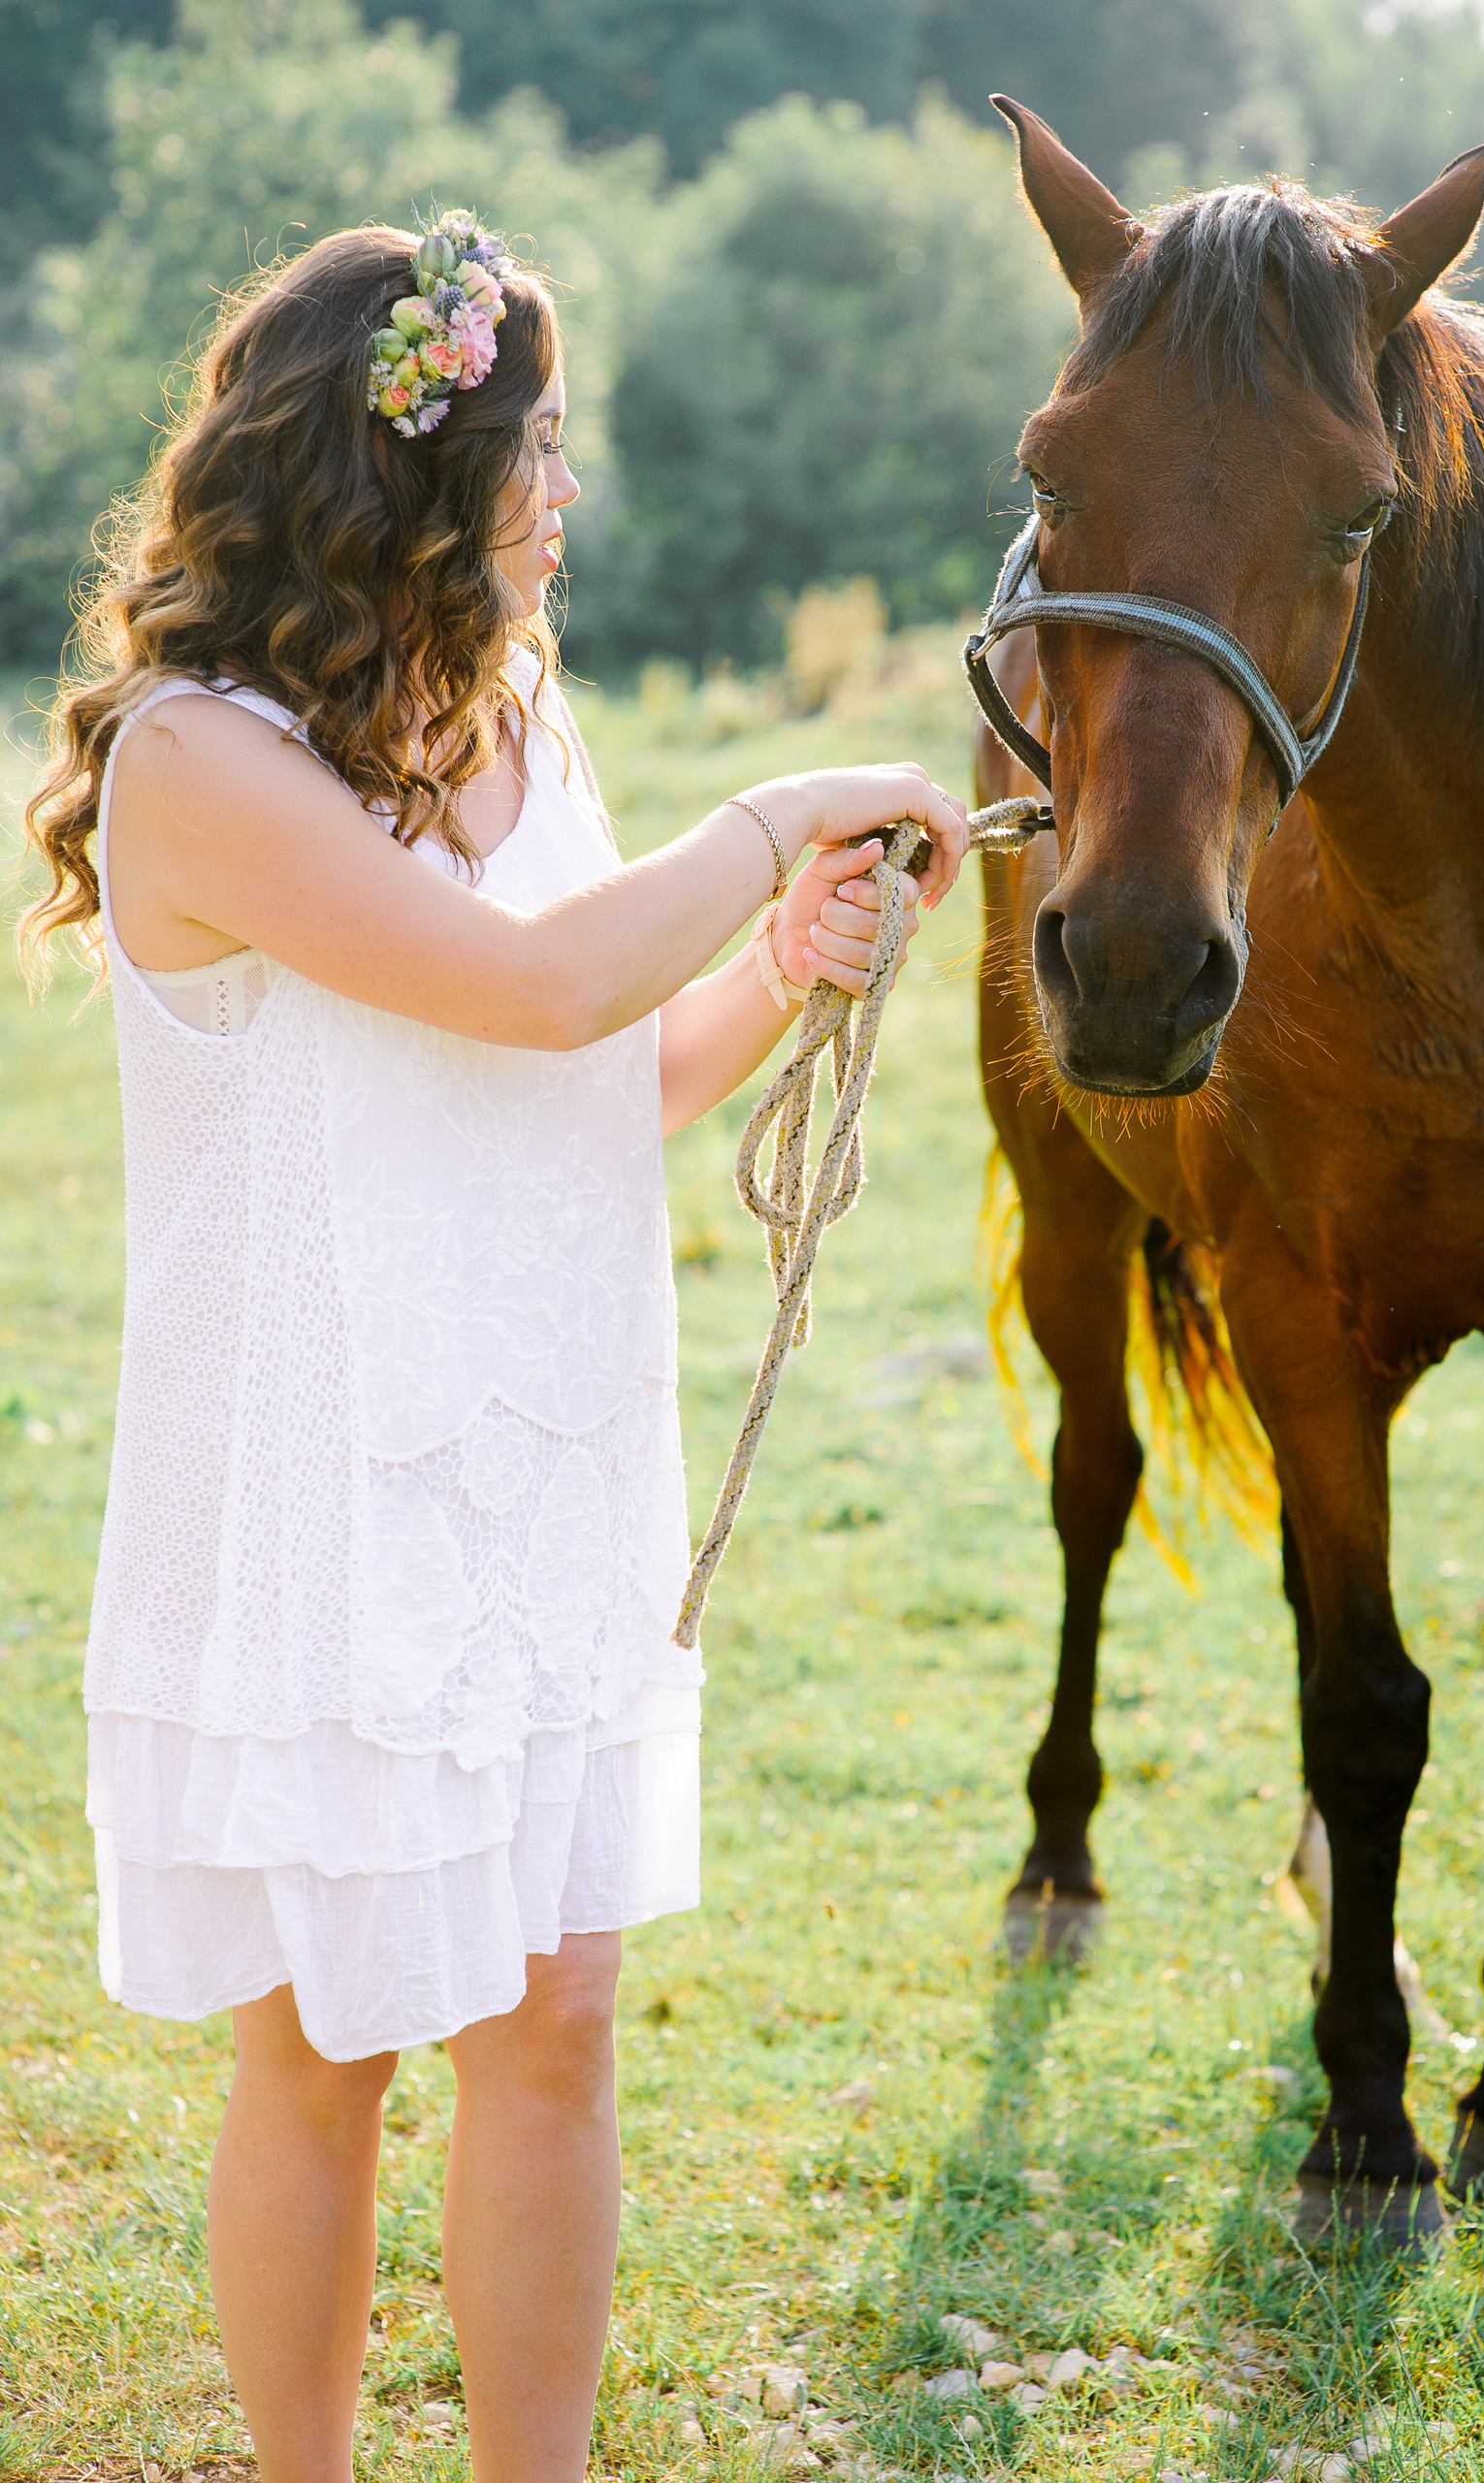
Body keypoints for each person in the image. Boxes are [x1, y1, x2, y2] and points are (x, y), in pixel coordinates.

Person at [20, 211, 967, 2483]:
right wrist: (770, 818)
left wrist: (786, 963)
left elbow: (606, 1076)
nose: (566, 489)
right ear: (403, 472)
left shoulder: (520, 716)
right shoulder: (200, 762)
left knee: (558, 2016)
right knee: (327, 2044)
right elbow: (541, 987)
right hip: (325, 1487)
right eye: (536, 447)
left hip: (542, 1456)